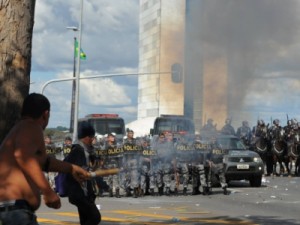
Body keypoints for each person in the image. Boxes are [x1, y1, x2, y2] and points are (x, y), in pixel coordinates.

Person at [0, 93, 89, 225]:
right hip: (15, 210)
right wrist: (48, 191)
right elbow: (24, 157)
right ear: (45, 114)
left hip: (13, 209)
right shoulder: (31, 126)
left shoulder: (20, 129)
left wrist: (72, 168)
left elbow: (42, 161)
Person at [65, 121, 102, 225]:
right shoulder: (78, 150)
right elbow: (78, 171)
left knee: (85, 219)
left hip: (86, 192)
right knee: (95, 217)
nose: (92, 139)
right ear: (86, 137)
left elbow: (92, 166)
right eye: (91, 137)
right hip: (79, 192)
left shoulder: (88, 150)